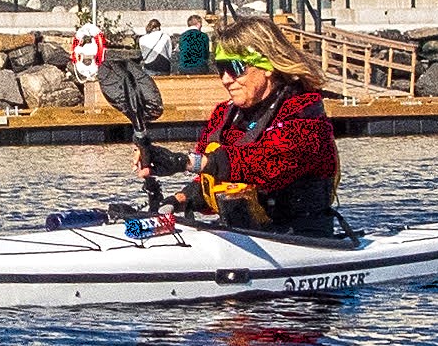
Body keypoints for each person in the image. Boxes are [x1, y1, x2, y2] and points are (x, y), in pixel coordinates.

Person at [136, 15, 345, 235]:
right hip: (244, 239)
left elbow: (265, 164)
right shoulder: (224, 115)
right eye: (220, 68)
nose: (226, 79)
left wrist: (184, 161)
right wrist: (177, 201)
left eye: (235, 68)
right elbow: (215, 181)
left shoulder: (304, 111)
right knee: (138, 230)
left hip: (300, 241)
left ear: (267, 67)